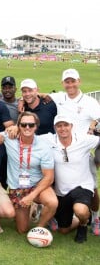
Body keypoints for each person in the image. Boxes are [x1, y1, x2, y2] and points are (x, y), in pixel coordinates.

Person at [47, 68, 100, 234]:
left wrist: (93, 126)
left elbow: (98, 118)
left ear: (79, 81)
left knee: (92, 186)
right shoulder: (59, 97)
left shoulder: (90, 102)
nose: (70, 84)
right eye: (67, 81)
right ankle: (58, 214)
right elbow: (42, 95)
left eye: (73, 81)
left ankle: (96, 217)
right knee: (58, 180)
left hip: (83, 148)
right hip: (61, 146)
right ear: (62, 83)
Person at [41, 114, 100, 243]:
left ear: (71, 126)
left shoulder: (84, 139)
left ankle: (83, 224)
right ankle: (82, 218)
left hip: (82, 186)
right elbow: (28, 137)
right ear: (54, 127)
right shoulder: (48, 139)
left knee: (80, 209)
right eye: (59, 126)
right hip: (61, 192)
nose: (63, 129)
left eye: (66, 125)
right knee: (63, 230)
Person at [1, 111, 58, 233]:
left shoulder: (43, 146)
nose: (27, 127)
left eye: (31, 125)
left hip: (36, 185)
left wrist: (31, 196)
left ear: (36, 126)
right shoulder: (9, 137)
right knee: (22, 229)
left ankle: (39, 229)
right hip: (17, 187)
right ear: (18, 125)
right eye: (24, 124)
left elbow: (49, 176)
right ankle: (32, 208)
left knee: (52, 202)